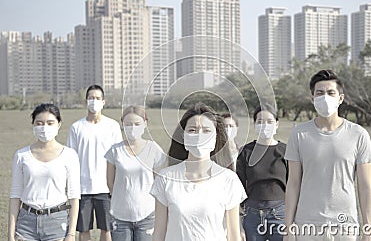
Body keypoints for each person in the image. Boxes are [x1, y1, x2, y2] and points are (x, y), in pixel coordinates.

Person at [284, 69, 371, 241]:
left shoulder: (359, 134)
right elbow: (293, 183)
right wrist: (288, 228)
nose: (325, 97)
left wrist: (368, 230)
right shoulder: (298, 134)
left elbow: (365, 186)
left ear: (340, 98)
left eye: (330, 92)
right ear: (312, 99)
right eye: (319, 93)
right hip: (307, 225)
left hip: (345, 226)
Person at [150, 102, 247, 241]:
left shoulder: (228, 179)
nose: (199, 136)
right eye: (192, 130)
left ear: (215, 138)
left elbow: (233, 236)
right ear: (183, 136)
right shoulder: (166, 178)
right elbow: (159, 234)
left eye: (206, 131)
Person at [8, 103, 80, 241]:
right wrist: (11, 234)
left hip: (57, 222)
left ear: (59, 124)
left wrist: (71, 233)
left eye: (50, 123)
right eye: (39, 123)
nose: (44, 127)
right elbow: (15, 195)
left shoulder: (70, 155)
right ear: (33, 125)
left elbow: (74, 196)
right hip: (26, 223)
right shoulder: (21, 155)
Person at [67, 85, 123, 241]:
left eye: (98, 98)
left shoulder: (112, 126)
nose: (94, 101)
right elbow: (71, 159)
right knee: (83, 229)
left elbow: (118, 157)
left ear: (104, 102)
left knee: (107, 229)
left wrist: (116, 185)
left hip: (106, 188)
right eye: (91, 98)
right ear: (86, 102)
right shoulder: (76, 127)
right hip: (82, 188)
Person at [105, 105, 166, 241]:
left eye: (137, 124)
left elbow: (160, 182)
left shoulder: (154, 149)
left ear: (145, 123)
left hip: (147, 215)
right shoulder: (115, 151)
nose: (132, 128)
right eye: (128, 124)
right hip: (119, 216)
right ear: (123, 124)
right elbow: (110, 182)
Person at [236, 104, 287, 241]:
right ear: (254, 125)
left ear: (276, 124)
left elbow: (293, 183)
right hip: (252, 214)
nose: (265, 125)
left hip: (280, 214)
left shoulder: (285, 151)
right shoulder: (246, 151)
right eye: (260, 121)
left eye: (269, 122)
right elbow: (238, 185)